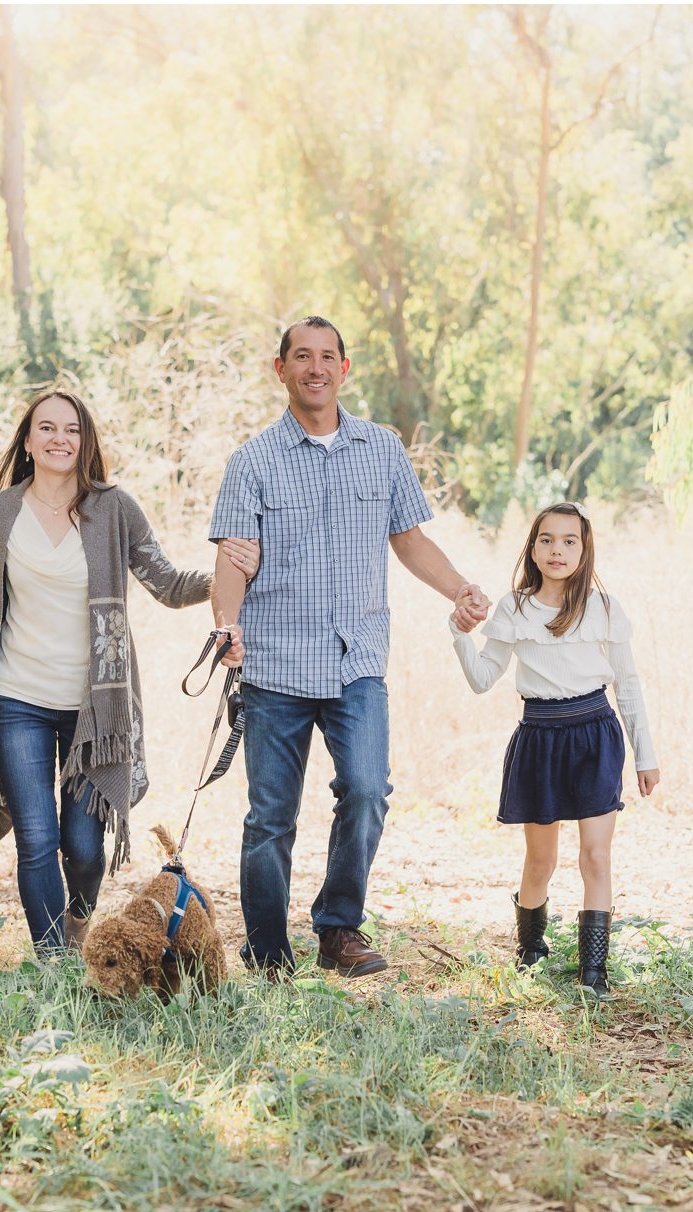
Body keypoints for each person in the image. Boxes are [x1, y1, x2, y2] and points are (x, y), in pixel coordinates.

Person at [0, 389, 260, 955]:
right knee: (38, 839)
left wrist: (224, 577)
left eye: (71, 429)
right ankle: (54, 961)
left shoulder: (113, 509)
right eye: (47, 428)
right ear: (28, 440)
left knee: (84, 848)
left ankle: (76, 924)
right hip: (14, 698)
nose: (59, 439)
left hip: (96, 710)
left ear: (85, 440)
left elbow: (165, 583)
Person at [208, 315, 490, 979]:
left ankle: (338, 930)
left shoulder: (382, 449)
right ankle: (269, 953)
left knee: (366, 789)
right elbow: (233, 557)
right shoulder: (253, 462)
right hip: (275, 661)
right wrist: (228, 624)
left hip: (356, 656)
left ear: (345, 368)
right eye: (301, 357)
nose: (315, 368)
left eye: (326, 357)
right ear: (280, 370)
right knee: (270, 818)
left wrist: (459, 589)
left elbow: (411, 539)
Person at [450, 501, 660, 998]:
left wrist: (645, 754)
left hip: (595, 733)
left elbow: (627, 684)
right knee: (540, 861)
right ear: (533, 547)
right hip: (540, 738)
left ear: (585, 549)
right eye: (547, 539)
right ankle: (531, 950)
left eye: (570, 540)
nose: (557, 549)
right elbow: (482, 679)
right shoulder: (515, 608)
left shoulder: (604, 609)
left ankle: (594, 973)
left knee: (595, 857)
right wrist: (460, 635)